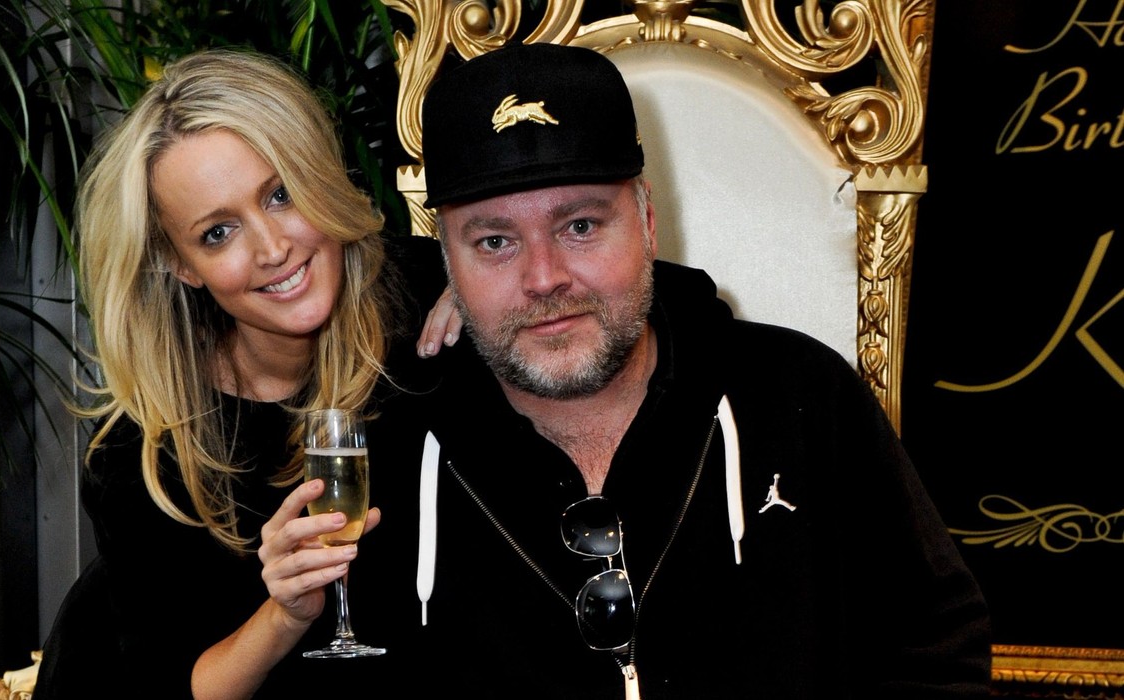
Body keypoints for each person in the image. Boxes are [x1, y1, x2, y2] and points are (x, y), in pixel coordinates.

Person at [278, 42, 994, 699]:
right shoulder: (386, 452)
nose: (543, 278)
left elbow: (934, 654)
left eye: (580, 226)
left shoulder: (801, 394)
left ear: (647, 221)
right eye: (494, 241)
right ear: (447, 265)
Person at [33, 49, 447, 698]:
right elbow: (183, 686)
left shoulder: (419, 299)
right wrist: (284, 610)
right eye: (219, 232)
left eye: (280, 194)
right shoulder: (141, 453)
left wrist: (484, 292)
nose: (272, 248)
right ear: (181, 264)